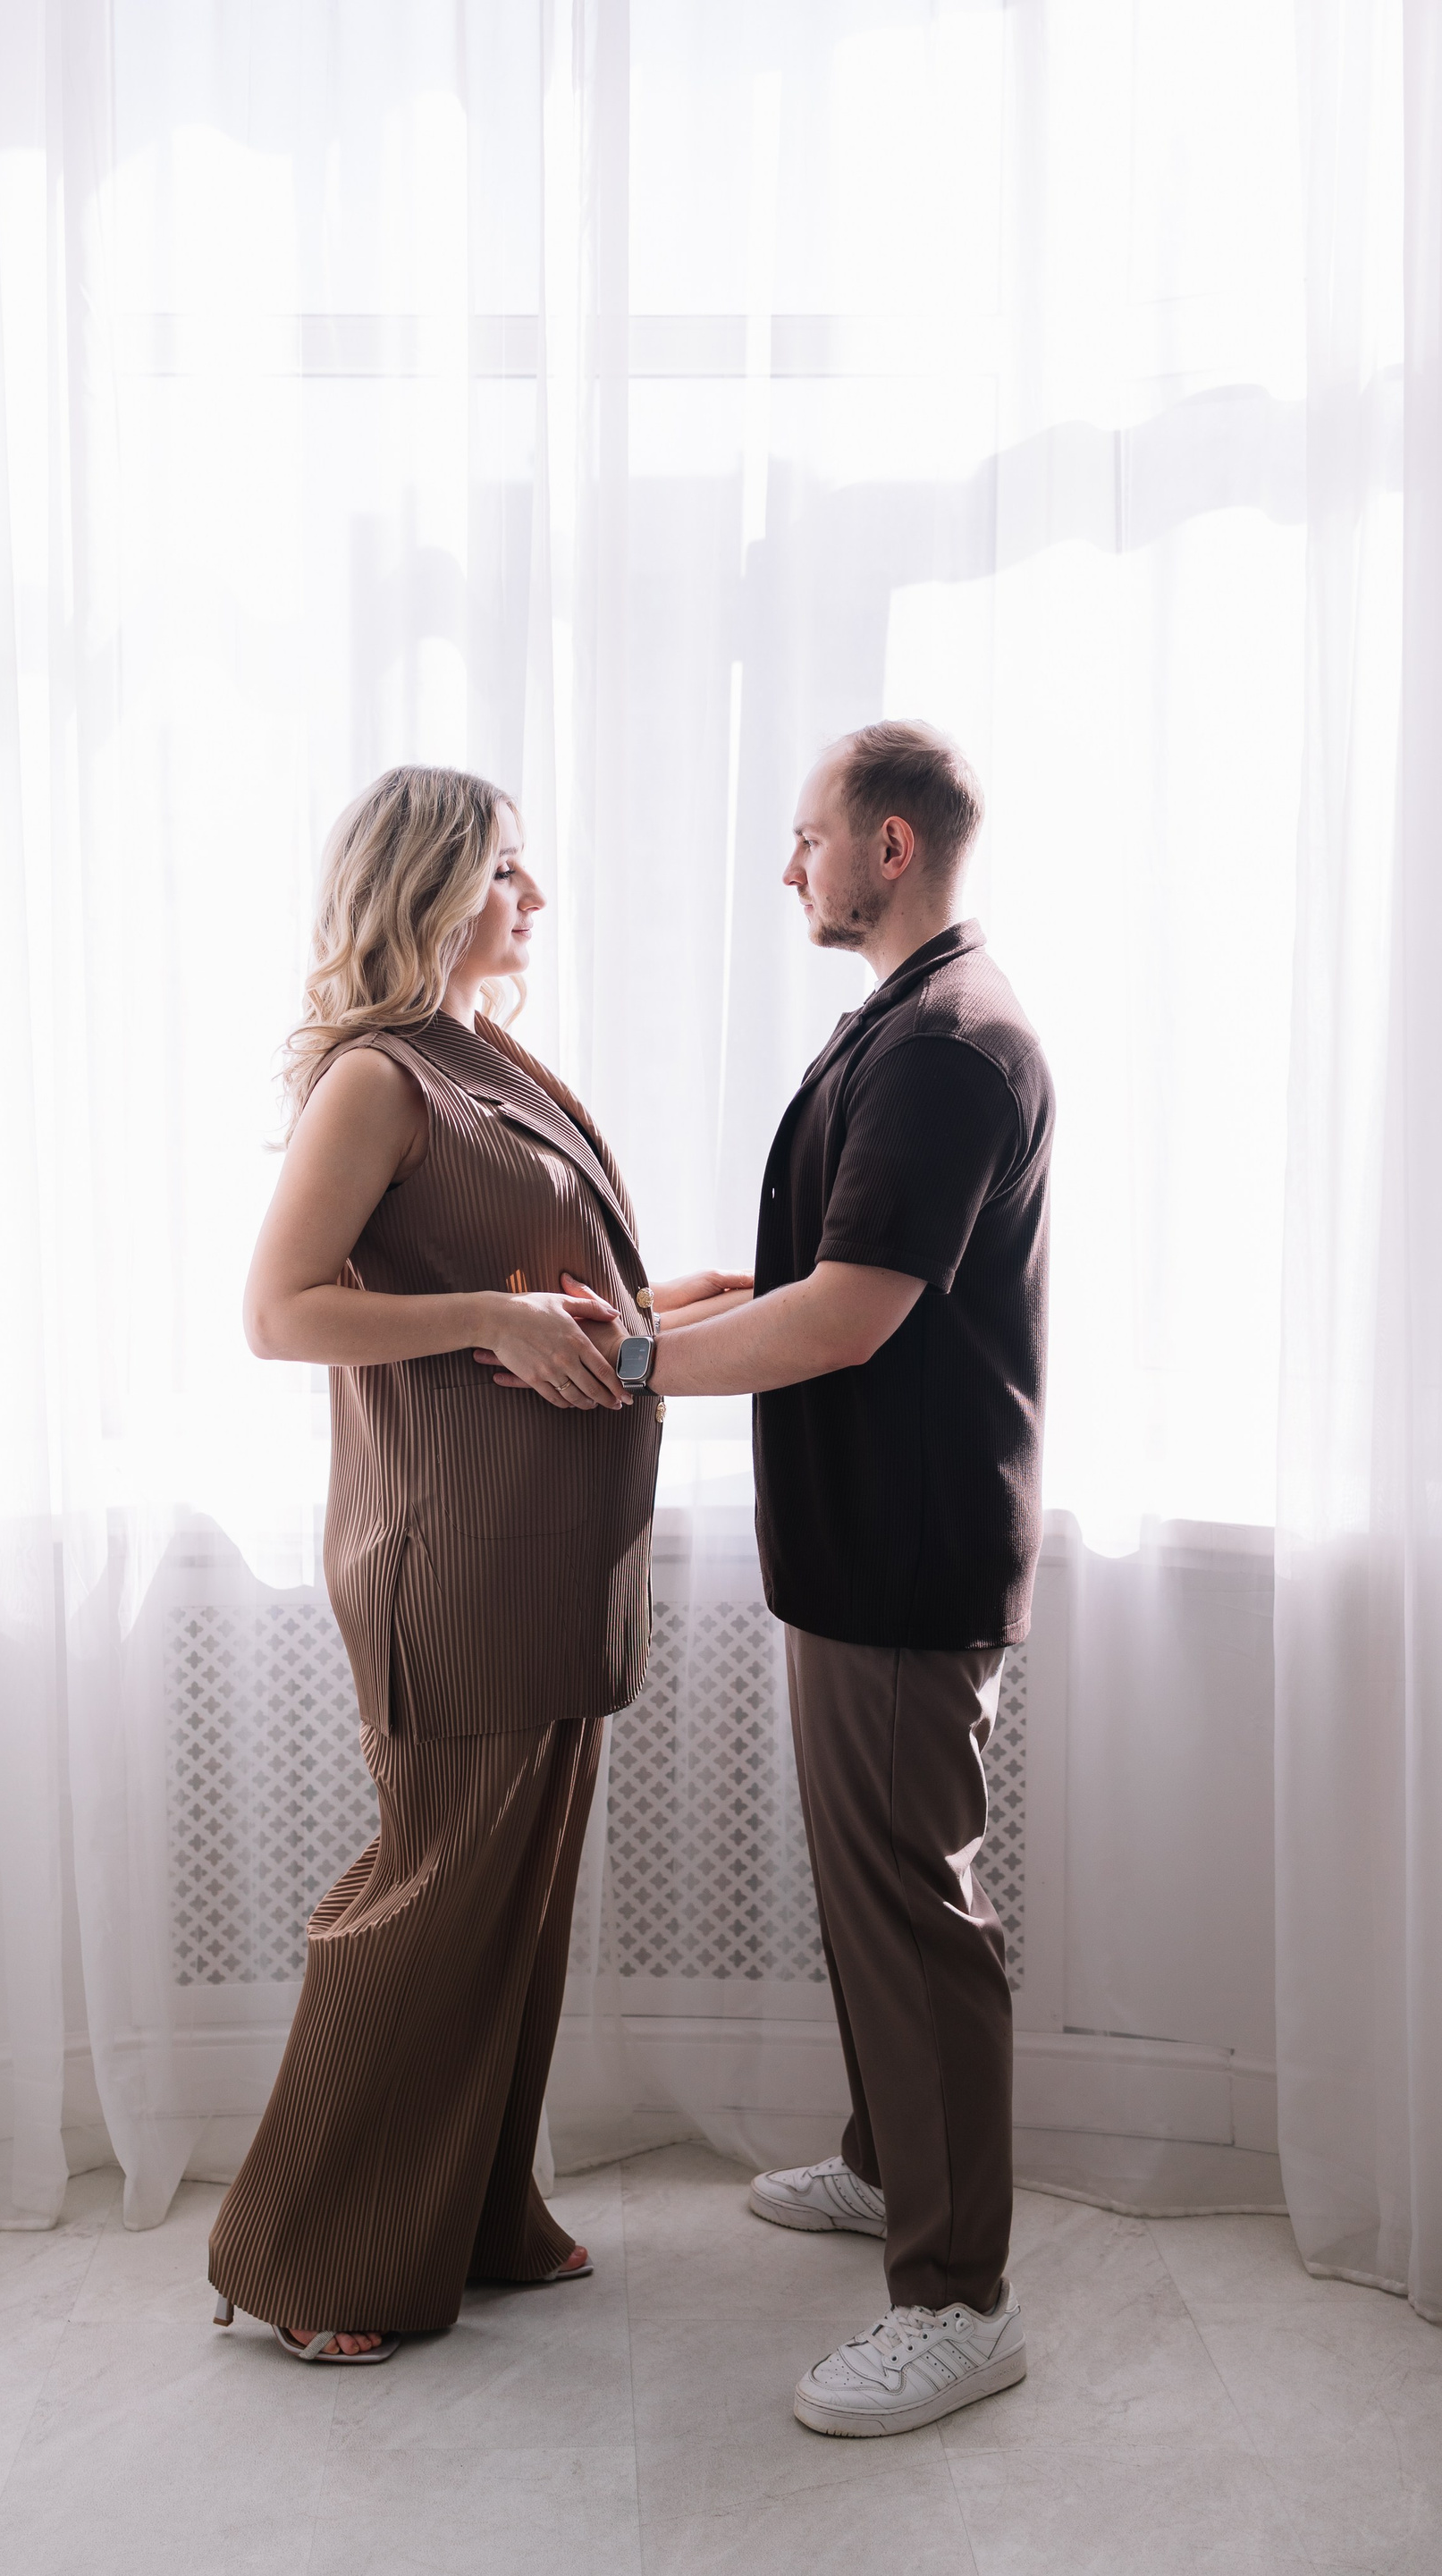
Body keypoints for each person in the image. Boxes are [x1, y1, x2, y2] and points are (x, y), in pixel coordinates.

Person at [484, 719, 1051, 2434]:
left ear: (890, 845)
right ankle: (892, 2164)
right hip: (859, 1541)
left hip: (909, 1550)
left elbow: (849, 1316)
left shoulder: (949, 1042)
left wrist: (631, 1366)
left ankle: (957, 2300)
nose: (787, 862)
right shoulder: (904, 1017)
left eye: (808, 833)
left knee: (917, 1917)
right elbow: (813, 1268)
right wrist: (659, 1311)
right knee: (870, 1894)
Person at [208, 764, 747, 2362]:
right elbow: (280, 1311)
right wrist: (489, 1321)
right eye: (509, 868)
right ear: (434, 881)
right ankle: (303, 2259)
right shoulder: (381, 1077)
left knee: (517, 1908)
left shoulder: (486, 1056)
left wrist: (690, 1302)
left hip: (554, 1554)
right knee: (432, 1902)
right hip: (452, 1553)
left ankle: (472, 2213)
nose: (535, 896)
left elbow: (553, 1290)